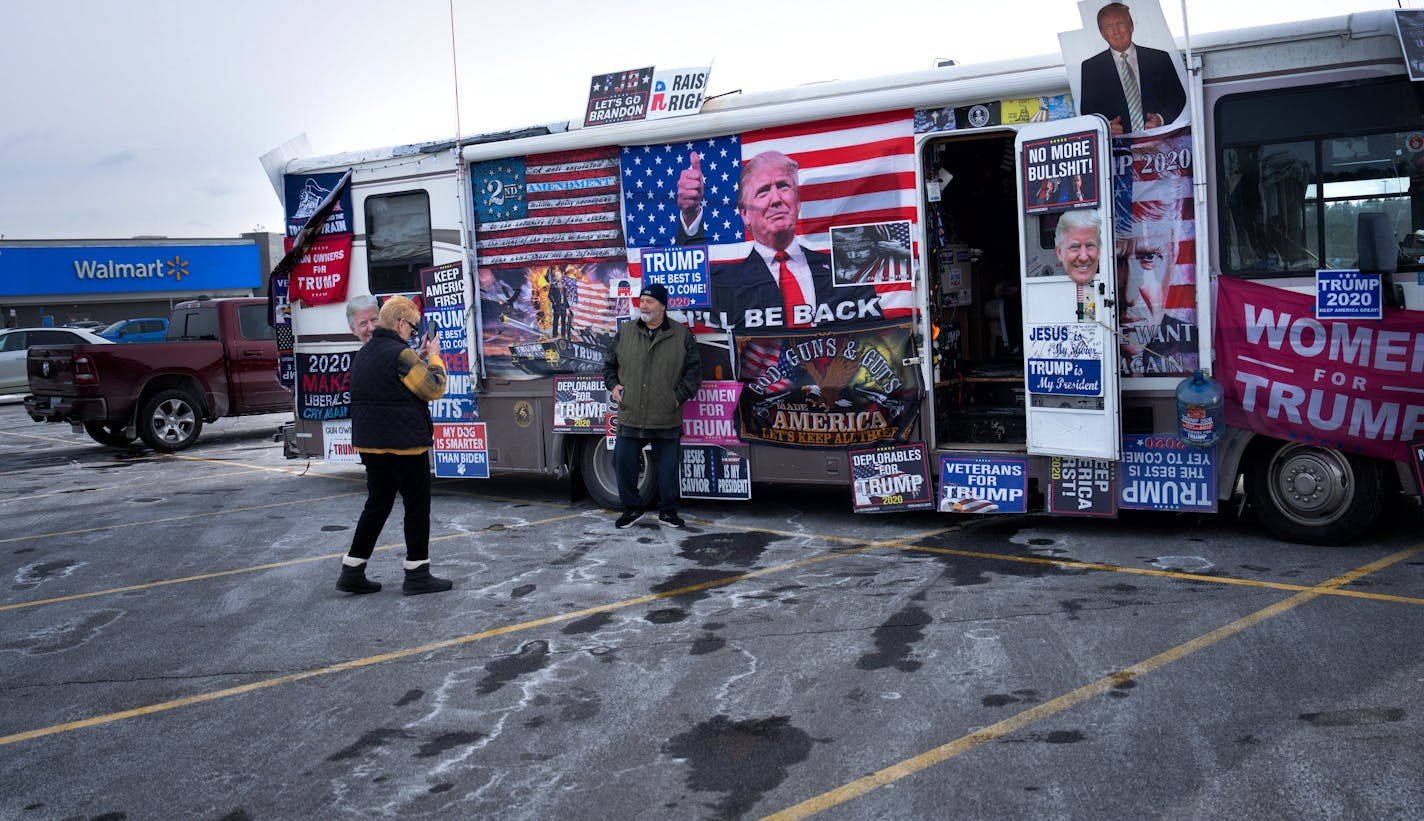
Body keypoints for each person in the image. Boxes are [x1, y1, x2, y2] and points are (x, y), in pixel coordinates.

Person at [674, 150, 880, 329]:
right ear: (744, 214)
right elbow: (683, 287)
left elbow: (876, 334)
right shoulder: (724, 283)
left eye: (783, 186)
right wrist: (691, 216)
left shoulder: (845, 270)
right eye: (763, 192)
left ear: (798, 202)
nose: (776, 199)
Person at [336, 295, 453, 596]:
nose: (413, 334)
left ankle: (352, 570)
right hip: (404, 446)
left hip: (371, 445)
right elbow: (434, 388)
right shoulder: (401, 355)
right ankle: (417, 574)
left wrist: (418, 355)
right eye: (412, 328)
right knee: (416, 507)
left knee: (377, 504)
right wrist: (435, 356)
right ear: (401, 323)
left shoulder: (365, 353)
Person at [602, 283, 702, 529]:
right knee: (622, 463)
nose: (643, 306)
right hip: (631, 414)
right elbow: (609, 365)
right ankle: (632, 509)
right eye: (641, 301)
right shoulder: (625, 331)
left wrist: (677, 397)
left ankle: (668, 512)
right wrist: (613, 386)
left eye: (648, 302)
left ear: (662, 306)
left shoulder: (681, 335)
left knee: (667, 470)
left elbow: (694, 372)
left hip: (665, 415)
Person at [1078, 2, 1186, 136]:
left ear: (1131, 26)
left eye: (1121, 23)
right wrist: (1106, 126)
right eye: (1109, 26)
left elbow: (1177, 97)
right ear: (1102, 33)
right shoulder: (1090, 68)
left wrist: (1161, 119)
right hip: (1117, 149)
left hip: (1159, 142)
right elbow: (1087, 111)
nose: (1116, 31)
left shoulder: (1159, 58)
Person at [547, 267, 574, 339]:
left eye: (559, 276)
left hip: (563, 306)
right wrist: (554, 302)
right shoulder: (553, 285)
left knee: (563, 321)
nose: (558, 277)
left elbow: (565, 297)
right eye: (557, 276)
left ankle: (563, 336)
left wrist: (568, 306)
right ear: (555, 277)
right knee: (556, 321)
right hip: (557, 306)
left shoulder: (563, 285)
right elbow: (550, 295)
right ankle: (554, 335)